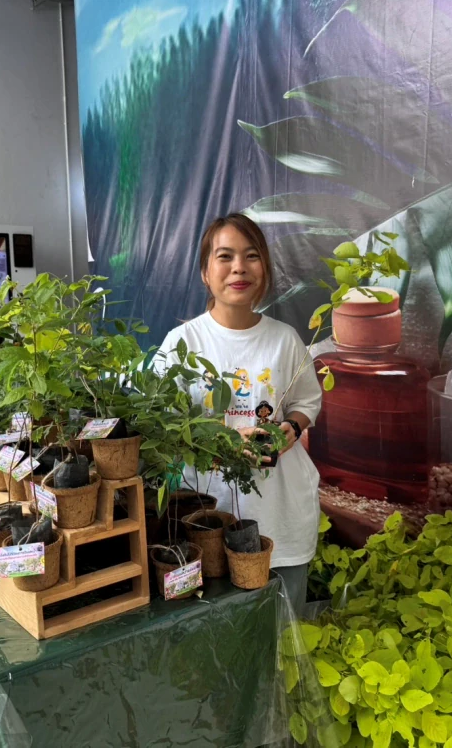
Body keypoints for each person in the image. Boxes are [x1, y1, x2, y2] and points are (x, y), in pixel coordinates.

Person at [157, 213, 322, 614]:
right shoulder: (183, 343)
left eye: (251, 256)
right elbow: (159, 426)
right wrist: (224, 440)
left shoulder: (285, 340)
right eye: (224, 256)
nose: (238, 268)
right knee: (217, 632)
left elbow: (307, 402)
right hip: (209, 515)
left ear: (263, 268)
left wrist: (290, 429)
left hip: (280, 509)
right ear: (204, 272)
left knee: (285, 635)